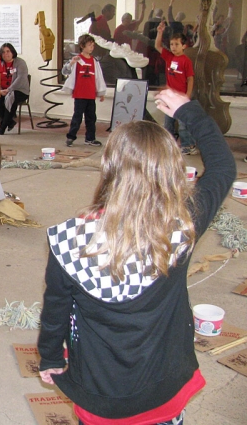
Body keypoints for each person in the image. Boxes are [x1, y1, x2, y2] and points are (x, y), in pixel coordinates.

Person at [38, 87, 235, 425]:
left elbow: (56, 308)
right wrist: (189, 111)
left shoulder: (67, 240)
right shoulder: (184, 222)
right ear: (172, 170)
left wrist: (50, 357)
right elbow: (223, 166)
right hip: (164, 390)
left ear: (109, 167)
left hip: (100, 396)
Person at [155, 20, 197, 155]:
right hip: (169, 98)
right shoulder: (169, 57)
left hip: (181, 98)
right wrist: (159, 32)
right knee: (168, 123)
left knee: (183, 124)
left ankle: (188, 145)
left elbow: (190, 78)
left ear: (184, 46)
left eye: (177, 44)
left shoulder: (186, 61)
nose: (173, 47)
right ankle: (169, 145)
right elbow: (157, 45)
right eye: (172, 44)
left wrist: (188, 95)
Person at [62, 34, 106, 147]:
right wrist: (72, 62)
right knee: (77, 116)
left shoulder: (94, 61)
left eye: (93, 45)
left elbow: (98, 77)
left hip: (90, 94)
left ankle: (90, 138)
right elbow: (65, 71)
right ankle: (71, 137)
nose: (92, 47)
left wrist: (101, 93)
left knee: (91, 118)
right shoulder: (77, 60)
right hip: (80, 94)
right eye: (89, 45)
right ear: (82, 46)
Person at [0, 43, 30, 135]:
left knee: (11, 98)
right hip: (3, 91)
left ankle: (2, 127)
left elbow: (21, 78)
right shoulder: (0, 63)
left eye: (8, 51)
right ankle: (10, 122)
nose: (5, 54)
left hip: (20, 90)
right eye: (3, 52)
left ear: (12, 52)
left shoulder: (20, 62)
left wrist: (9, 89)